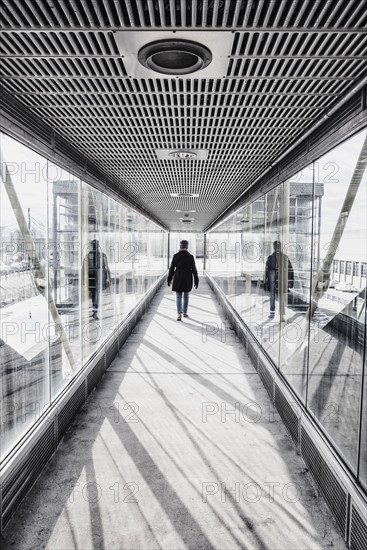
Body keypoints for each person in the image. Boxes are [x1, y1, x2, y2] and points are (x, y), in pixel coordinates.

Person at [167, 240, 199, 321]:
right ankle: (185, 313)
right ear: (187, 247)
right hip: (187, 277)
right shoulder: (190, 257)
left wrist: (169, 278)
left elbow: (171, 269)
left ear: (180, 246)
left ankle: (179, 314)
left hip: (178, 277)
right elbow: (194, 269)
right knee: (186, 295)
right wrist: (196, 279)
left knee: (178, 296)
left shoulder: (175, 256)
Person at [264, 240, 294, 320]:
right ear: (274, 247)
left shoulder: (285, 257)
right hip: (272, 278)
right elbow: (266, 270)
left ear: (280, 247)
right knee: (272, 296)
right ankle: (272, 313)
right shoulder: (270, 258)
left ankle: (282, 314)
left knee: (281, 296)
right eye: (276, 246)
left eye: (278, 246)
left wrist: (290, 282)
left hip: (281, 279)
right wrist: (265, 281)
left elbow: (290, 269)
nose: (277, 248)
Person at [83, 239, 111, 320]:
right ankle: (94, 311)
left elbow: (106, 267)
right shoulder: (89, 255)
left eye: (95, 245)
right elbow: (85, 268)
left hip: (98, 278)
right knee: (94, 295)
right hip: (93, 278)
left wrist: (108, 278)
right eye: (93, 245)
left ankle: (95, 311)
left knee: (95, 295)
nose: (94, 246)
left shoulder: (101, 255)